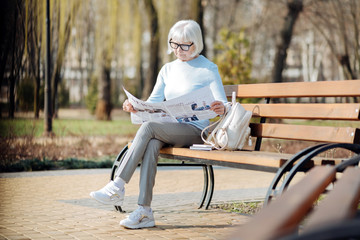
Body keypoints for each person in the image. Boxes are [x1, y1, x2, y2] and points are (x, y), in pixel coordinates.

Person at [90, 19, 228, 229]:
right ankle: (145, 211)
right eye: (174, 44)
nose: (178, 50)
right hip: (169, 128)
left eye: (184, 46)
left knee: (149, 128)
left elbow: (224, 103)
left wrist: (221, 108)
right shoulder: (167, 69)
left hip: (196, 131)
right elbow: (152, 103)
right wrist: (134, 106)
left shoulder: (208, 69)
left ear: (196, 43)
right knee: (152, 142)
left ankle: (117, 185)